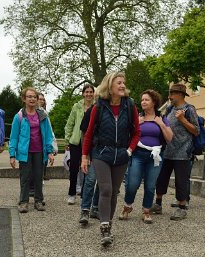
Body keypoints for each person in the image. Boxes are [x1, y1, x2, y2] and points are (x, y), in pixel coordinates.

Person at [81, 72, 140, 247]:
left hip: (121, 155)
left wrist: (129, 150)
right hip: (101, 153)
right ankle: (104, 228)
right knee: (105, 189)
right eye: (119, 82)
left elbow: (137, 132)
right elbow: (89, 133)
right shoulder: (98, 106)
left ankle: (109, 223)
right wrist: (85, 156)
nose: (122, 85)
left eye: (124, 82)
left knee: (114, 191)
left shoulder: (129, 105)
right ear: (109, 85)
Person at [119, 90, 173, 224]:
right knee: (132, 183)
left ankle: (146, 211)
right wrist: (138, 123)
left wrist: (160, 124)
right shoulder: (137, 117)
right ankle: (127, 206)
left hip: (155, 156)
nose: (143, 102)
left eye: (146, 100)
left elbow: (170, 138)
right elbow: (126, 135)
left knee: (150, 185)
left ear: (154, 102)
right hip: (138, 154)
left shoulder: (161, 118)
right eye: (142, 100)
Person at [150, 84, 200, 221]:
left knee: (181, 181)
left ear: (180, 94)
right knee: (161, 178)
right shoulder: (170, 108)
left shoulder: (189, 109)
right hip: (168, 151)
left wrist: (183, 120)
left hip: (183, 151)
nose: (169, 96)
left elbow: (196, 131)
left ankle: (182, 208)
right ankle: (158, 204)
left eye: (172, 93)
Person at [9, 87, 55, 213]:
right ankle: (23, 202)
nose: (32, 99)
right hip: (25, 152)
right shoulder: (18, 117)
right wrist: (12, 155)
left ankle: (38, 201)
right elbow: (13, 137)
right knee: (25, 177)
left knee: (39, 176)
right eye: (29, 96)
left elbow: (48, 135)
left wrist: (50, 152)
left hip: (39, 151)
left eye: (34, 97)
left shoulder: (43, 116)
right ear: (24, 99)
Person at [64, 84, 95, 205]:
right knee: (74, 169)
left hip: (90, 143)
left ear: (93, 93)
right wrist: (67, 140)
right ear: (83, 93)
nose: (88, 94)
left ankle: (84, 194)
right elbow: (70, 124)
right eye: (86, 92)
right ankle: (71, 193)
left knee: (88, 169)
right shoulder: (76, 107)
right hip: (76, 142)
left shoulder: (96, 106)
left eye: (90, 92)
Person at [78, 104, 100, 226]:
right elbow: (85, 134)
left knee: (102, 183)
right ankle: (85, 210)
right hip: (93, 152)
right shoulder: (93, 110)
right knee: (90, 180)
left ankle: (95, 208)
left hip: (107, 154)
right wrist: (85, 155)